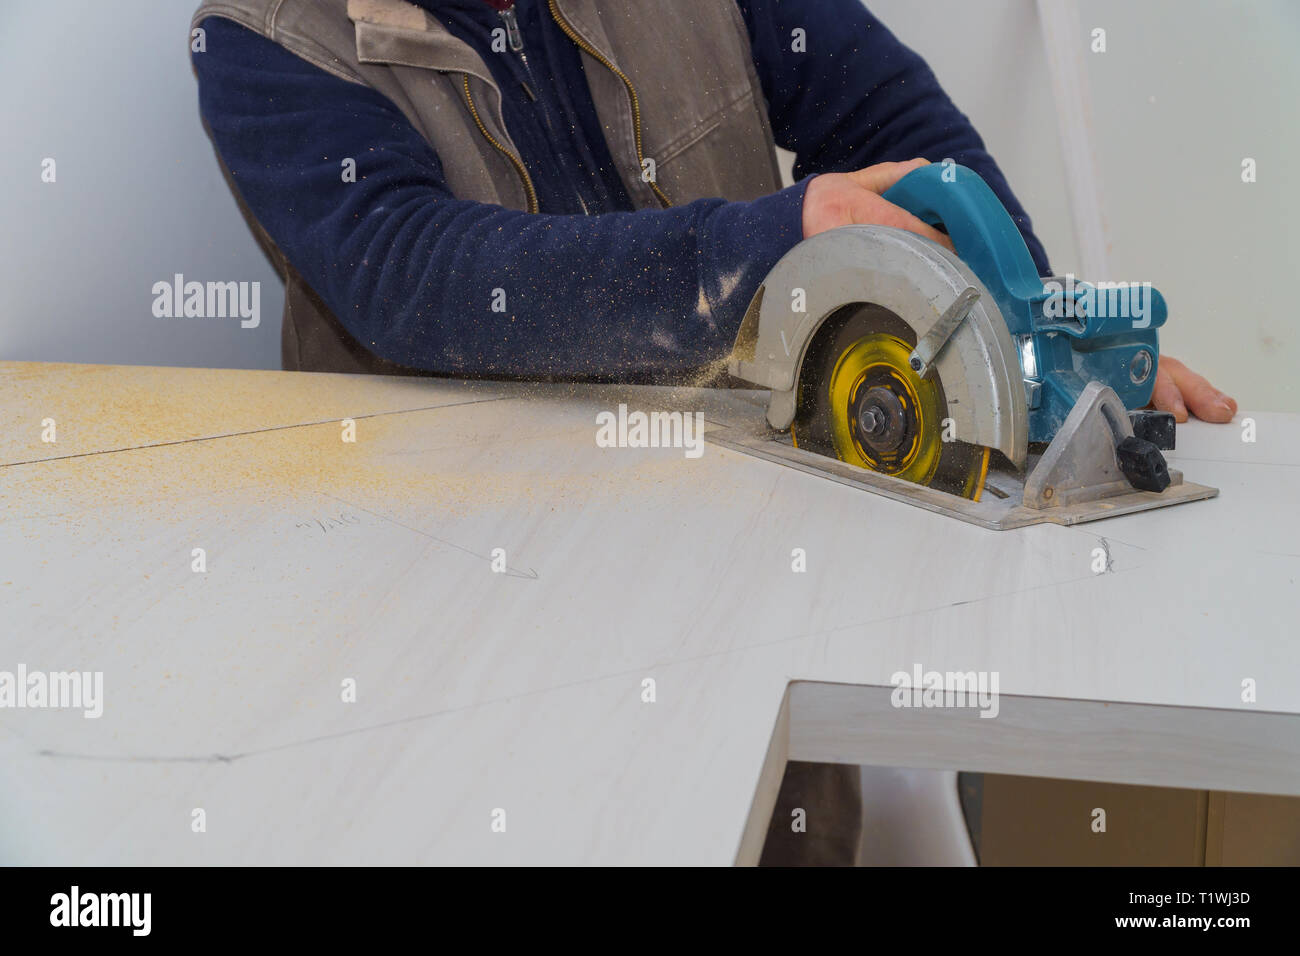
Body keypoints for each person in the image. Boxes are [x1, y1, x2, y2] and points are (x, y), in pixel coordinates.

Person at [190, 0, 1236, 864]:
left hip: (745, 578)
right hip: (464, 627)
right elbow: (413, 274)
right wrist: (759, 247)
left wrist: (1036, 347)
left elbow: (890, 122)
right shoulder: (263, 38)